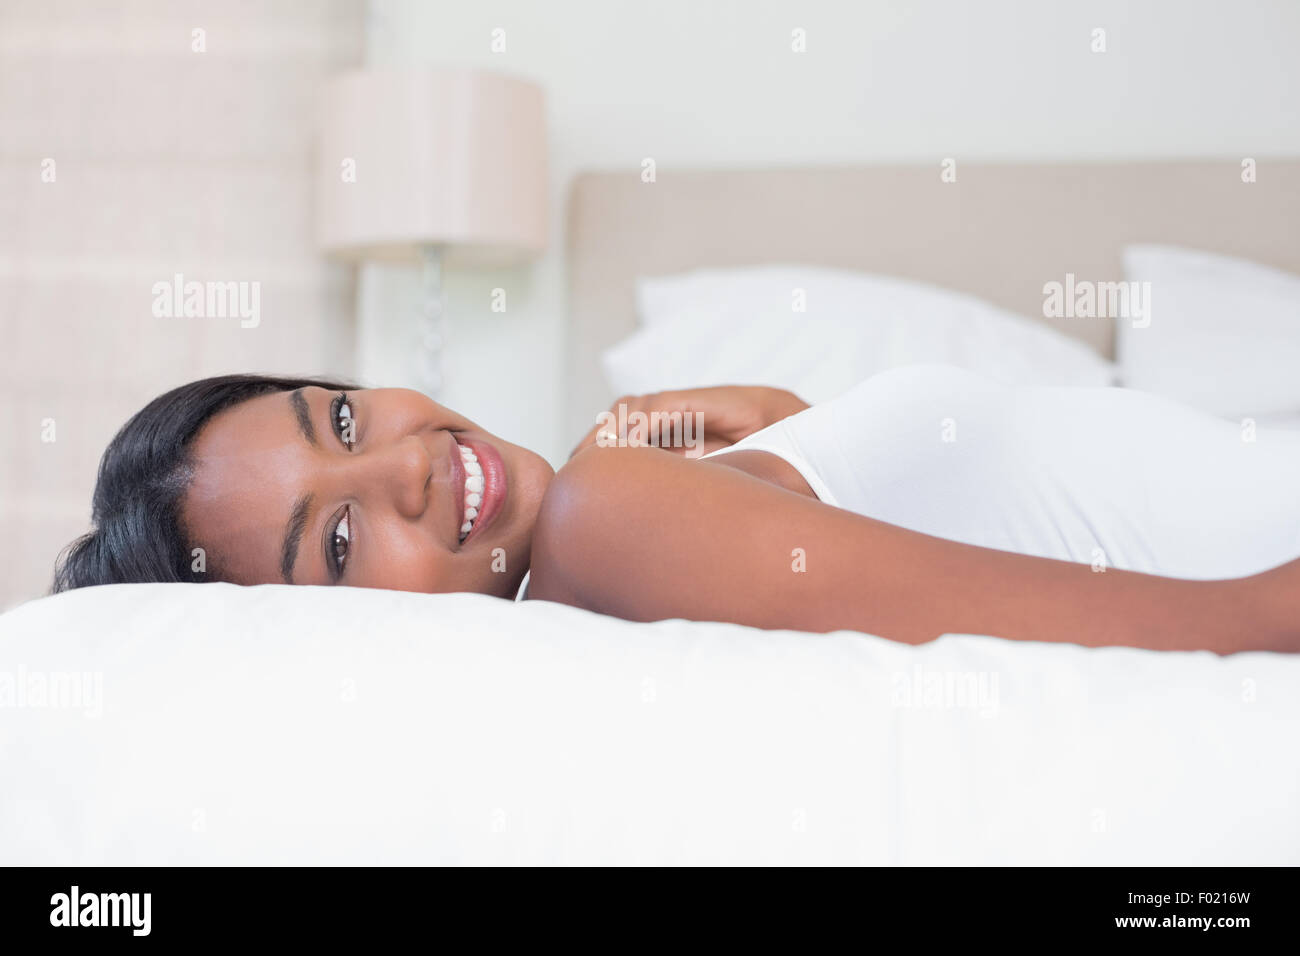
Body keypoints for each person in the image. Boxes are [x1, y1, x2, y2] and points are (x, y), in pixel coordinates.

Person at [53, 366, 1300, 654]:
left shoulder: (608, 514)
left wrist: (621, 455)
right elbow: (1239, 624)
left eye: (336, 416)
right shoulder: (605, 527)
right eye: (334, 541)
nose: (405, 467)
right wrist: (612, 491)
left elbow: (768, 405)